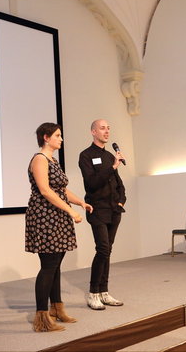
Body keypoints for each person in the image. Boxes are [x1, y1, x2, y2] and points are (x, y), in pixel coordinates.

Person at [25, 122, 93, 332]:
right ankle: (42, 318)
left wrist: (80, 202)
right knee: (48, 266)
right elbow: (45, 191)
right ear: (46, 137)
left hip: (57, 215)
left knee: (55, 266)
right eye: (57, 135)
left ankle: (57, 309)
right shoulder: (39, 159)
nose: (61, 139)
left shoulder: (53, 160)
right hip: (45, 217)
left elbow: (62, 190)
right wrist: (71, 211)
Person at [79, 119, 126, 310]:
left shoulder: (109, 156)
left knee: (108, 250)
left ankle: (104, 292)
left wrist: (122, 200)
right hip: (97, 209)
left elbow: (119, 183)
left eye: (108, 128)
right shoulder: (86, 155)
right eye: (102, 128)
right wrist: (112, 167)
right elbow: (92, 183)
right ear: (93, 132)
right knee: (103, 249)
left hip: (114, 209)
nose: (106, 131)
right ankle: (93, 293)